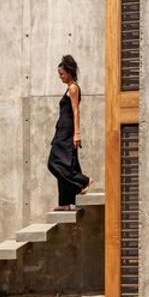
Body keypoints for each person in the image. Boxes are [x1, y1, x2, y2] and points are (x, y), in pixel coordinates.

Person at [47, 54, 90, 210]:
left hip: (66, 132)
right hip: (63, 129)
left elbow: (76, 110)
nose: (60, 77)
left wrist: (77, 134)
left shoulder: (73, 88)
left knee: (54, 163)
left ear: (69, 72)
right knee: (67, 163)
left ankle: (83, 181)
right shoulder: (69, 88)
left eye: (62, 74)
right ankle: (66, 203)